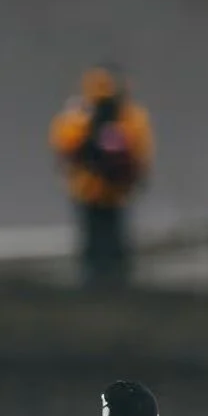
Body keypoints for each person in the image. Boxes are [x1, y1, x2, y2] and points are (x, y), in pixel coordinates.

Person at [49, 65, 153, 289]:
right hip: (106, 188)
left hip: (94, 187)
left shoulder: (80, 114)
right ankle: (113, 281)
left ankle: (99, 281)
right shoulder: (128, 116)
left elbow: (64, 146)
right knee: (108, 238)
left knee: (99, 239)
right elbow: (141, 151)